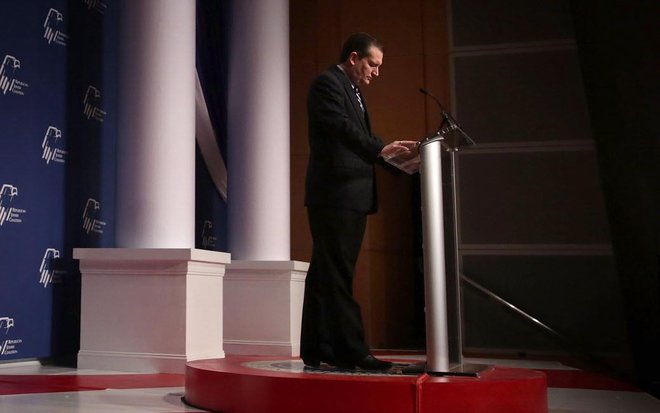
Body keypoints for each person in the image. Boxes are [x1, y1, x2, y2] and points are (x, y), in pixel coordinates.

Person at [301, 32, 417, 371]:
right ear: (354, 57)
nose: (376, 73)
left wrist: (393, 156)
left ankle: (319, 348)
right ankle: (354, 352)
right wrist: (379, 150)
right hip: (335, 194)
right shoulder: (327, 84)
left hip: (348, 195)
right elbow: (340, 128)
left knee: (325, 273)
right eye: (373, 64)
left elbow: (362, 137)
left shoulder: (351, 89)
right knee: (336, 274)